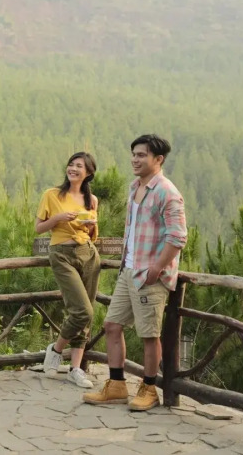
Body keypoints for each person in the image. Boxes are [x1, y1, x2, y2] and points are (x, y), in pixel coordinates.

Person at [83, 134, 187, 411]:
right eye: (134, 154)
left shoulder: (167, 192)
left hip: (150, 275)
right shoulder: (134, 187)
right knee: (112, 325)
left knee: (149, 335)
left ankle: (149, 389)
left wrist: (157, 268)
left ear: (158, 159)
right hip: (128, 270)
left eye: (142, 155)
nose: (135, 159)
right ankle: (117, 386)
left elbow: (178, 237)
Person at [37, 152, 101, 388]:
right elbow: (38, 228)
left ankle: (75, 369)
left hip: (88, 254)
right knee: (82, 310)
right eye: (71, 164)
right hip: (61, 254)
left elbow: (92, 235)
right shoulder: (52, 195)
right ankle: (55, 350)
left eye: (79, 166)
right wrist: (58, 218)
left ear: (89, 173)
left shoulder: (91, 200)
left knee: (87, 313)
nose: (73, 169)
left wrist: (90, 225)